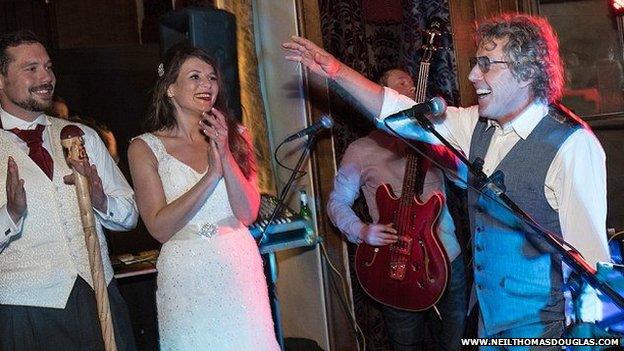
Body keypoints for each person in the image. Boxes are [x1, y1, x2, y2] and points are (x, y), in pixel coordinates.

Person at [284, 13, 609, 348]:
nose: (472, 75)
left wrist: (583, 333)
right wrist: (337, 72)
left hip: (545, 330)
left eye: (486, 64)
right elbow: (400, 113)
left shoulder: (571, 145)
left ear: (526, 72)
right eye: (474, 62)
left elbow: (591, 258)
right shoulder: (476, 125)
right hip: (487, 323)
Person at [127, 44, 279, 350]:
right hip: (186, 269)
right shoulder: (144, 148)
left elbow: (248, 212)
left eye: (211, 77)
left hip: (238, 260)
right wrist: (211, 175)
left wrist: (225, 152)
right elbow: (158, 227)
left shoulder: (236, 134)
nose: (206, 85)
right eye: (194, 77)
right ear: (170, 88)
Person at [0, 30, 138, 350]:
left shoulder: (83, 136)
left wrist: (101, 199)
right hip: (26, 310)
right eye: (31, 68)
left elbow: (129, 214)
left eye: (48, 67)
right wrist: (11, 213)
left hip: (98, 296)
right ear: (2, 79)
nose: (46, 77)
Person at [327, 67, 467, 350]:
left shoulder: (434, 139)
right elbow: (336, 202)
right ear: (380, 95)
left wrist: (445, 150)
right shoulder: (360, 150)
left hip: (448, 259)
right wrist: (362, 231)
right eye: (400, 84)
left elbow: (465, 181)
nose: (410, 89)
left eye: (413, 84)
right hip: (395, 266)